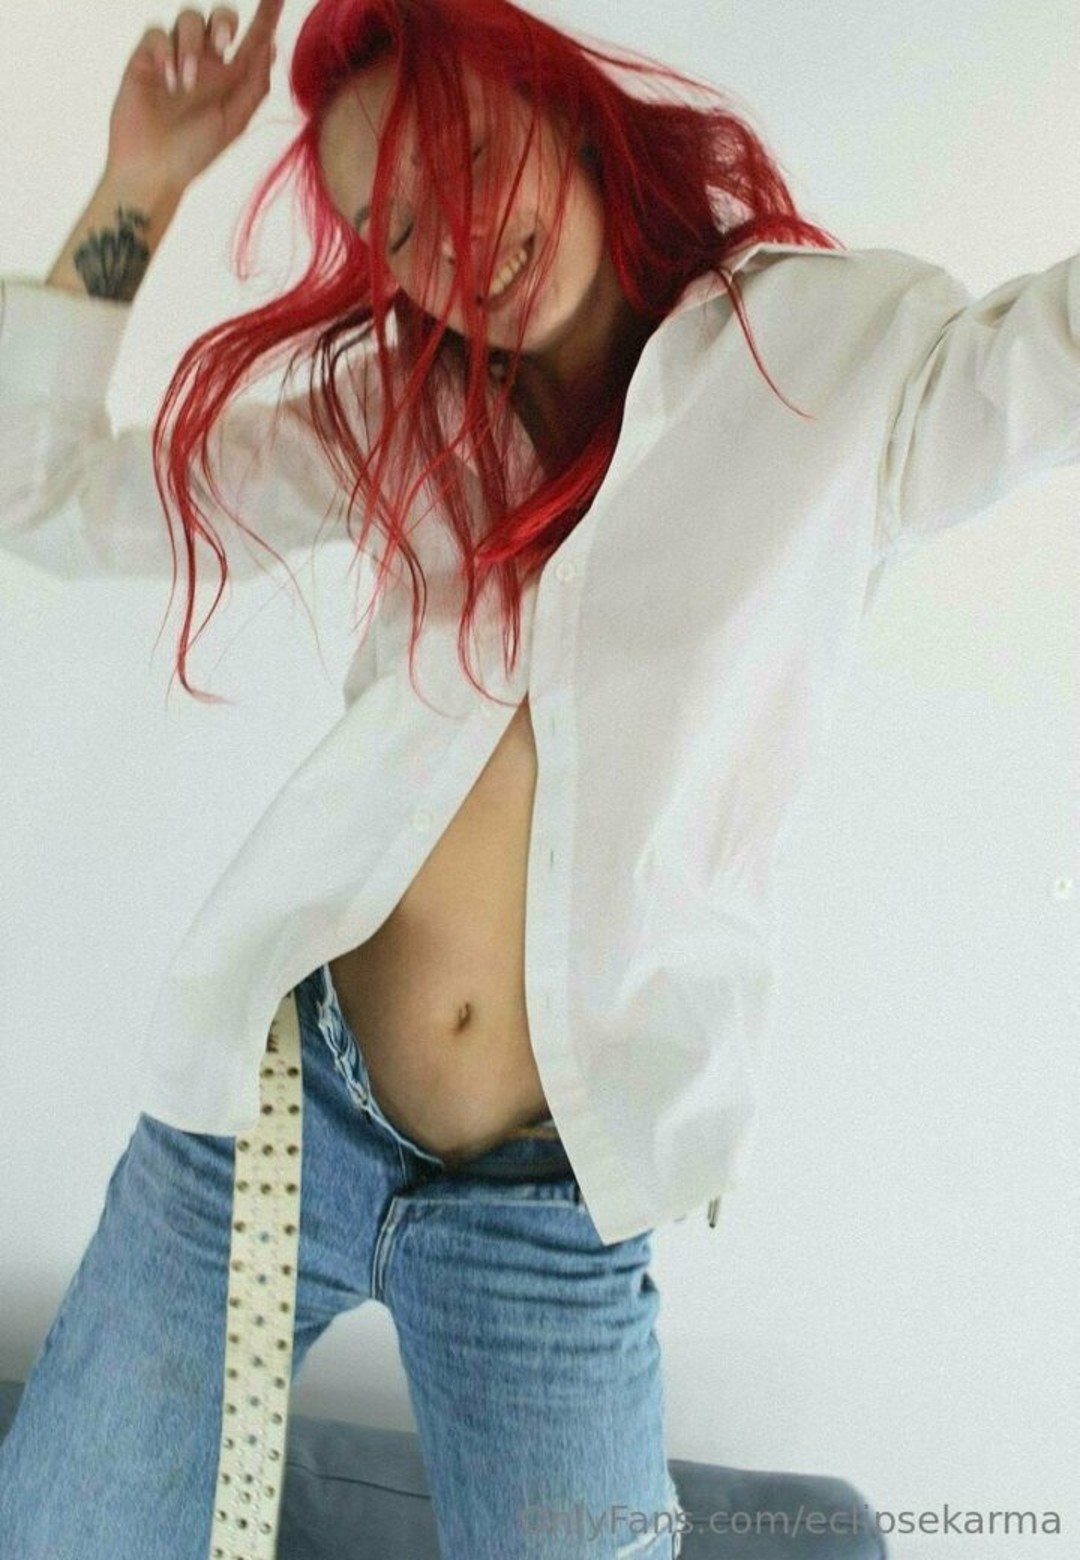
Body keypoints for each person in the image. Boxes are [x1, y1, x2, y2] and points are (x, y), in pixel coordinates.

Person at [3, 1, 1077, 1556]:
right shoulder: (402, 414)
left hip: (549, 1210)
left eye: (469, 155)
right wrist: (143, 180)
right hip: (277, 1124)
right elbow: (43, 497)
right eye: (398, 229)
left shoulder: (828, 360)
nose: (456, 240)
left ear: (563, 107)